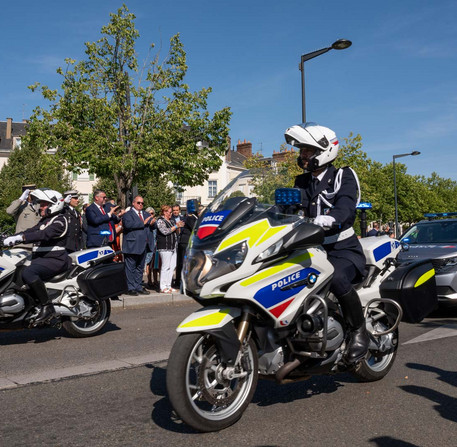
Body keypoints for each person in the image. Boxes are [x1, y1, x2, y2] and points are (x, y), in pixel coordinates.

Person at [286, 122, 369, 364]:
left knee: (335, 277)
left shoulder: (343, 175)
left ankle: (358, 332)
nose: (303, 156)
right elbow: (286, 211)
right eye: (302, 151)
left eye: (308, 151)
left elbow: (346, 204)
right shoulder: (300, 182)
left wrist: (332, 218)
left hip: (342, 250)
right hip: (309, 249)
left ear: (325, 151)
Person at [4, 189, 71, 324]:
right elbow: (30, 231)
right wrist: (9, 238)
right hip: (42, 259)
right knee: (18, 271)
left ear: (54, 204)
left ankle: (48, 306)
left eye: (44, 204)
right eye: (41, 203)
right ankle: (28, 308)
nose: (41, 206)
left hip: (55, 259)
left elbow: (44, 234)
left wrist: (21, 238)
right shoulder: (45, 221)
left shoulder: (60, 220)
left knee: (29, 272)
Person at [122, 196, 155, 295]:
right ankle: (130, 287)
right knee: (130, 267)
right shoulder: (128, 215)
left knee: (140, 268)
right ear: (133, 203)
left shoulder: (146, 214)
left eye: (142, 203)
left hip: (144, 245)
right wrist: (143, 223)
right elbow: (128, 225)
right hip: (132, 245)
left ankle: (138, 286)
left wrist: (153, 223)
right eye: (138, 203)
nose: (140, 205)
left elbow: (152, 226)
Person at [156, 204, 184, 293]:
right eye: (169, 212)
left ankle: (168, 285)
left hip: (172, 247)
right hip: (165, 247)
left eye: (171, 212)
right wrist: (176, 226)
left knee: (172, 266)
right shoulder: (160, 220)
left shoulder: (171, 221)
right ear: (164, 212)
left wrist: (178, 227)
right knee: (165, 266)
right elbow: (165, 231)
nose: (171, 214)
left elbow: (176, 233)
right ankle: (163, 286)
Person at [6, 184, 41, 249]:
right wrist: (21, 199)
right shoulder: (19, 204)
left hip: (37, 245)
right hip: (23, 244)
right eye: (31, 193)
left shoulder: (38, 204)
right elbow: (9, 211)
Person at [175, 201, 199, 289]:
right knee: (183, 262)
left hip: (185, 242)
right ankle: (179, 281)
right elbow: (194, 228)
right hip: (185, 242)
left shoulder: (192, 217)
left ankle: (180, 280)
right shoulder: (191, 217)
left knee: (183, 262)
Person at [144, 207, 157, 289]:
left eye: (152, 213)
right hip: (148, 245)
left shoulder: (156, 222)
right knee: (148, 263)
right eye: (149, 213)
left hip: (156, 245)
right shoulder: (145, 223)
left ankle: (155, 281)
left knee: (155, 264)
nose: (151, 215)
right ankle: (149, 280)